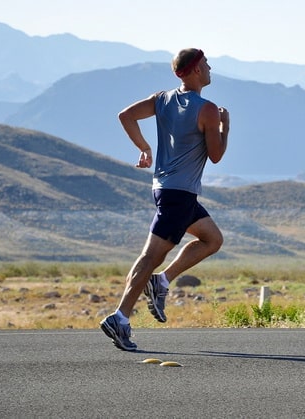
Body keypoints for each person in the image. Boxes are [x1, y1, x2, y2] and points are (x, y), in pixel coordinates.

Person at [100, 48, 230, 351]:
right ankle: (120, 317)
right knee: (150, 256)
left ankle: (161, 281)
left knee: (212, 239)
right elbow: (216, 155)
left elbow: (126, 115)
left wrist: (144, 147)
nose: (210, 69)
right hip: (179, 194)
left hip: (167, 189)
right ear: (196, 69)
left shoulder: (162, 99)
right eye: (207, 65)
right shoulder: (208, 110)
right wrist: (226, 126)